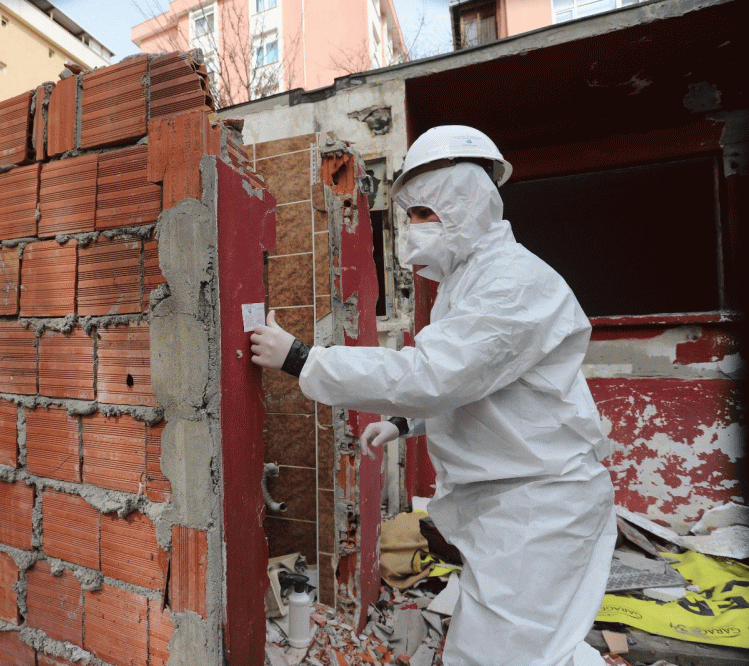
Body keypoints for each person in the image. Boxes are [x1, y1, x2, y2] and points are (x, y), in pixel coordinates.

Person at [250, 126, 617, 666]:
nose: (412, 231)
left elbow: (431, 376)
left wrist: (303, 358)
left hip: (540, 509)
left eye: (424, 214)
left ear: (467, 204)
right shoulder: (468, 283)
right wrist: (404, 425)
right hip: (513, 504)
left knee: (503, 657)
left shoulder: (510, 283)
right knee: (534, 651)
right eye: (410, 217)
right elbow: (484, 392)